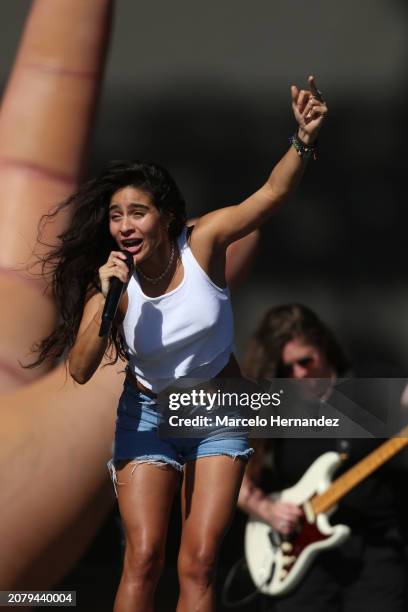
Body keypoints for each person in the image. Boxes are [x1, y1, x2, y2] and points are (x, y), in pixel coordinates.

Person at [28, 78, 327, 612]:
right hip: (147, 415)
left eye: (136, 213)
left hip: (218, 408)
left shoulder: (203, 243)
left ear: (165, 217)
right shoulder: (114, 286)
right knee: (143, 559)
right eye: (116, 216)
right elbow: (78, 369)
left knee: (198, 562)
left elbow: (271, 195)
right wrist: (107, 292)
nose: (124, 226)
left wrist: (301, 139)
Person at [238, 304, 406, 612]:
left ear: (322, 346)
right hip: (299, 556)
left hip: (376, 549)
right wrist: (266, 509)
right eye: (286, 369)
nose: (298, 374)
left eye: (305, 361)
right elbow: (232, 479)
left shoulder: (368, 383)